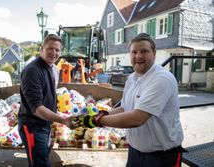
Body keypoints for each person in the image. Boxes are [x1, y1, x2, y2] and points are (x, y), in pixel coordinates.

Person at [72, 33, 184, 167]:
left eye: (144, 51)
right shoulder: (132, 78)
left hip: (161, 156)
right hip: (135, 151)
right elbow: (124, 108)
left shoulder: (161, 79)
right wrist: (96, 115)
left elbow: (137, 119)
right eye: (134, 52)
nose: (138, 56)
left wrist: (95, 121)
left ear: (154, 53)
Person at [18, 34, 72, 167]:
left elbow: (50, 92)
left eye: (57, 50)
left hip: (46, 124)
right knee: (39, 163)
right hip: (32, 126)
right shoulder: (32, 71)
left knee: (43, 158)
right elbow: (36, 109)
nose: (54, 53)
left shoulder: (54, 68)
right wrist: (63, 120)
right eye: (50, 49)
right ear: (42, 49)